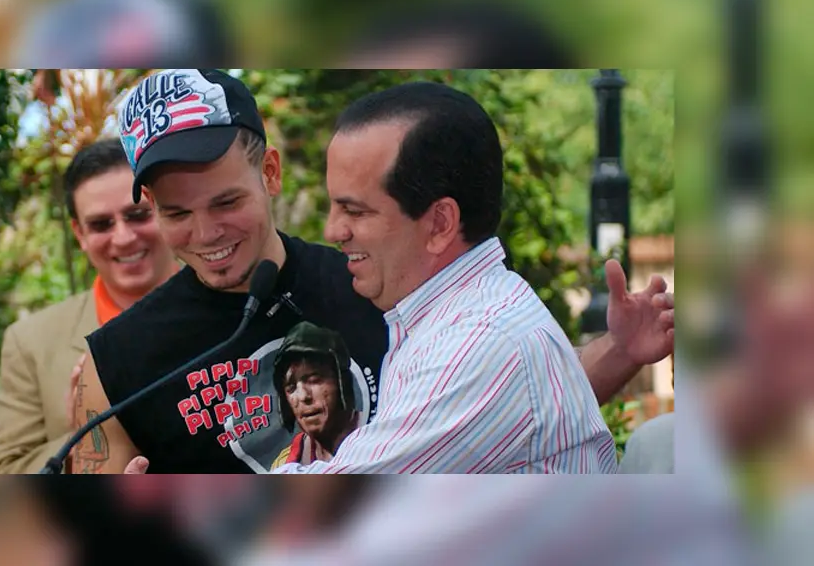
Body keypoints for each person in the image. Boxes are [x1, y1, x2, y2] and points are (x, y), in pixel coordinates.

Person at [76, 69, 674, 474]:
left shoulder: (390, 290)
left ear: (271, 174)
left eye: (227, 203)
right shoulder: (112, 366)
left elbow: (487, 402)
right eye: (178, 212)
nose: (206, 233)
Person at [0, 138, 180, 474]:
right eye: (101, 224)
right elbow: (1, 469)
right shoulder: (31, 342)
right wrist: (83, 435)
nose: (124, 237)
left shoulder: (237, 309)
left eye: (137, 215)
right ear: (79, 234)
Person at [269, 322, 359, 468]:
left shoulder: (379, 433)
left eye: (314, 380)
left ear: (342, 382)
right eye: (291, 388)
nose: (304, 396)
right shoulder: (282, 465)